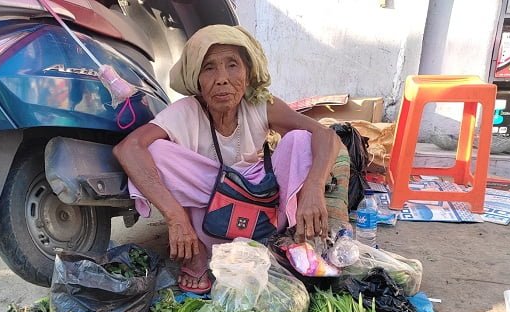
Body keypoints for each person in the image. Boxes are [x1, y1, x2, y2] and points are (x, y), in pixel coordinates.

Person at [113, 24, 350, 294]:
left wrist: (313, 189)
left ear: (247, 74)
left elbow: (326, 135)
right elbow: (128, 148)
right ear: (197, 80)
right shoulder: (186, 111)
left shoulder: (260, 103)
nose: (222, 78)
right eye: (209, 67)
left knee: (301, 139)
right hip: (212, 213)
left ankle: (288, 239)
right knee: (154, 152)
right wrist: (175, 217)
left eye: (232, 65)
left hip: (264, 207)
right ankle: (199, 252)